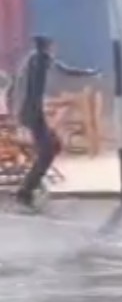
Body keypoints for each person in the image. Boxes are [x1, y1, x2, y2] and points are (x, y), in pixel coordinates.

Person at [7, 36, 98, 205]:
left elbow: (16, 87)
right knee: (48, 152)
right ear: (48, 47)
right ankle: (25, 191)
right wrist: (90, 73)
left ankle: (31, 184)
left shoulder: (30, 61)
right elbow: (66, 71)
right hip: (32, 113)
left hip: (29, 112)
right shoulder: (41, 59)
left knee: (53, 146)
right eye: (52, 47)